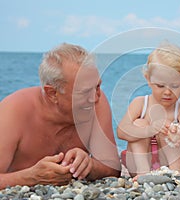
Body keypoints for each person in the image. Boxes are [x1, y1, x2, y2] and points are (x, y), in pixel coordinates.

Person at [0, 43, 121, 189]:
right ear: (52, 93)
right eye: (83, 92)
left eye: (97, 86)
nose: (95, 98)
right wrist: (30, 177)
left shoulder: (96, 102)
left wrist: (89, 166)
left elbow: (112, 168)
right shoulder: (14, 110)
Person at [117, 42, 180, 177]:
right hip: (138, 162)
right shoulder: (140, 103)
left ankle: (176, 170)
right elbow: (121, 131)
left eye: (175, 86)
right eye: (160, 85)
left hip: (167, 163)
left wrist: (179, 134)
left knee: (172, 128)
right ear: (148, 79)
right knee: (139, 124)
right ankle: (143, 172)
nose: (167, 92)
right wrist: (149, 130)